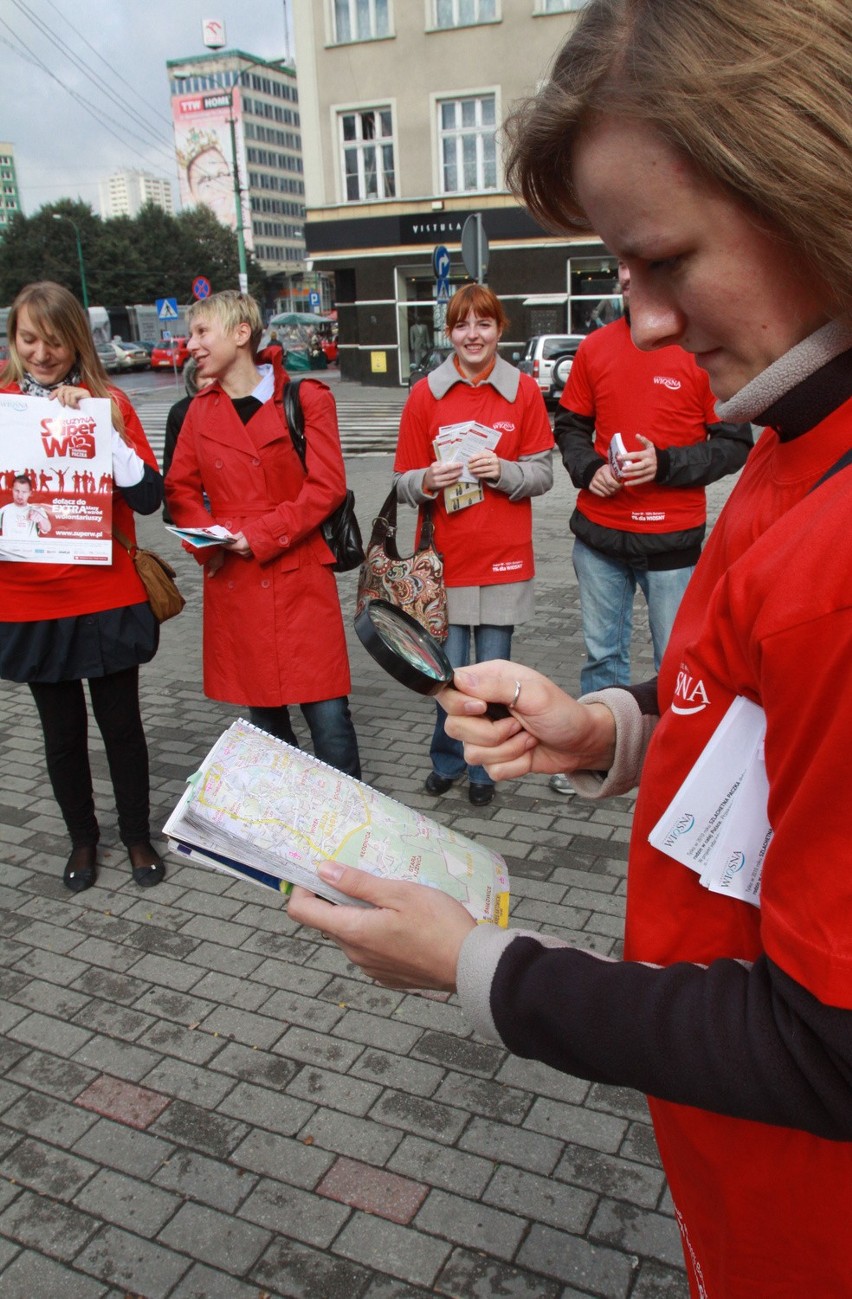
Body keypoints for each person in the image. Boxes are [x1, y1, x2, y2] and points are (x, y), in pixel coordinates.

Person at [288, 1, 852, 1294]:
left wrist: (478, 966)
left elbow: (831, 1049)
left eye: (662, 257)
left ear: (815, 188)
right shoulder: (795, 423)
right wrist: (616, 725)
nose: (642, 319)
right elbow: (781, 700)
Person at [549, 261, 752, 794]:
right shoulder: (595, 347)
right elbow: (570, 425)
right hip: (598, 539)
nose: (629, 276)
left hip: (674, 545)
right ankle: (597, 757)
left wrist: (662, 464)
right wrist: (589, 470)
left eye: (641, 265)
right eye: (621, 265)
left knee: (679, 663)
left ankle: (676, 765)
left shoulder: (700, 351)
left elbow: (733, 445)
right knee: (602, 657)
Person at [0, 282, 165, 892]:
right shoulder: (1, 404)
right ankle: (83, 841)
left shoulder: (107, 402)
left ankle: (136, 836)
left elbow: (149, 496)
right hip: (29, 597)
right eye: (29, 339)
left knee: (122, 728)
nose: (42, 353)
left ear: (77, 341)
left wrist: (100, 428)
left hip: (106, 594)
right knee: (61, 735)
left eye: (56, 340)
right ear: (15, 340)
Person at [165, 289, 361, 778]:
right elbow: (180, 491)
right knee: (266, 720)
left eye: (201, 331)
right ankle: (290, 821)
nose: (191, 344)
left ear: (241, 333)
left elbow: (327, 487)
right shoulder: (197, 412)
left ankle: (353, 825)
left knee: (329, 717)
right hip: (237, 578)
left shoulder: (305, 398)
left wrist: (263, 534)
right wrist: (210, 538)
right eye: (192, 334)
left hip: (298, 569)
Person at [393, 283, 553, 805]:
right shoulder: (426, 394)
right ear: (450, 333)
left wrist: (504, 471)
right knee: (450, 676)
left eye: (483, 323)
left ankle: (484, 771)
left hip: (503, 557)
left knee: (495, 676)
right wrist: (428, 480)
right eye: (462, 324)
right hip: (444, 559)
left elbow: (543, 474)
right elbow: (400, 481)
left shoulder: (523, 391)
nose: (473, 334)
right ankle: (447, 760)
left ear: (499, 330)